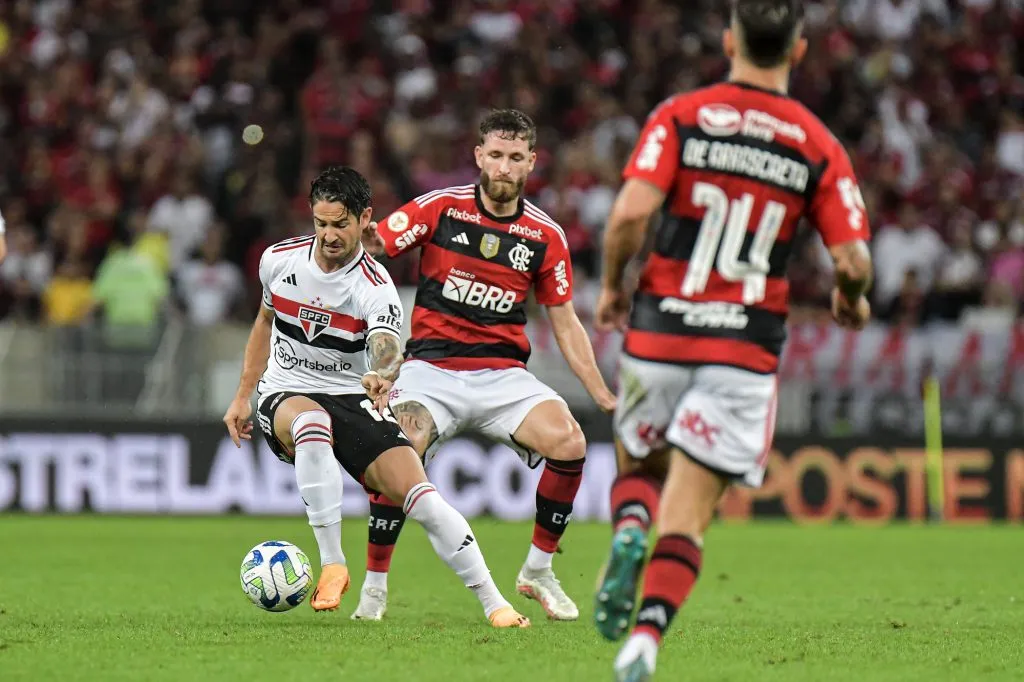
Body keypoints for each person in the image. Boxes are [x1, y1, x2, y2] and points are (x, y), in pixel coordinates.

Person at [593, 1, 874, 679]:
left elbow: (631, 212)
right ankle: (646, 642)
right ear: (799, 50)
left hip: (661, 333)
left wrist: (612, 285)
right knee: (689, 514)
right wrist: (850, 298)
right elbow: (853, 260)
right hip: (743, 352)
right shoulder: (816, 143)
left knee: (640, 471)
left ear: (728, 39)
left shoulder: (682, 116)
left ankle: (630, 527)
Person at [222, 166, 529, 628]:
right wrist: (243, 395)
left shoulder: (374, 285)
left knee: (422, 496)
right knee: (311, 424)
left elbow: (386, 347)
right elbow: (265, 324)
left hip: (351, 395)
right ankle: (333, 563)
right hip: (287, 391)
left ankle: (495, 603)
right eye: (320, 223)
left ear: (366, 218)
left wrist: (382, 375)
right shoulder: (278, 261)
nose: (328, 235)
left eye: (340, 224)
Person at [356, 109, 616, 622]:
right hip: (431, 370)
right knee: (400, 448)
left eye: (515, 158)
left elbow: (564, 323)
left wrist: (601, 391)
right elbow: (376, 246)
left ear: (531, 164)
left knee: (570, 442)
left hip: (503, 376)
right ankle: (375, 585)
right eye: (495, 155)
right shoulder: (442, 209)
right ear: (479, 156)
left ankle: (538, 570)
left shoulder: (545, 235)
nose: (503, 167)